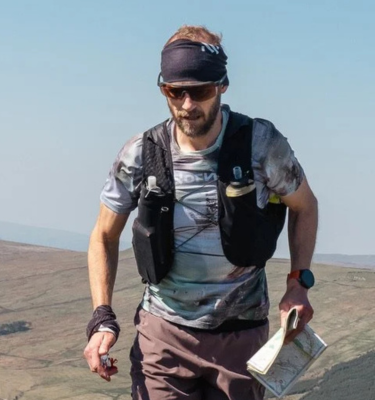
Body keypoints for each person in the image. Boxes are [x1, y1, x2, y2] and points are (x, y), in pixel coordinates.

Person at [83, 25, 318, 400]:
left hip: (241, 338)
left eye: (201, 91)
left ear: (222, 86)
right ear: (163, 89)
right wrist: (102, 318)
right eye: (175, 91)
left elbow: (304, 207)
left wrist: (298, 283)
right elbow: (103, 235)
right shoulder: (141, 154)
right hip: (163, 337)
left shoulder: (261, 145)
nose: (187, 104)